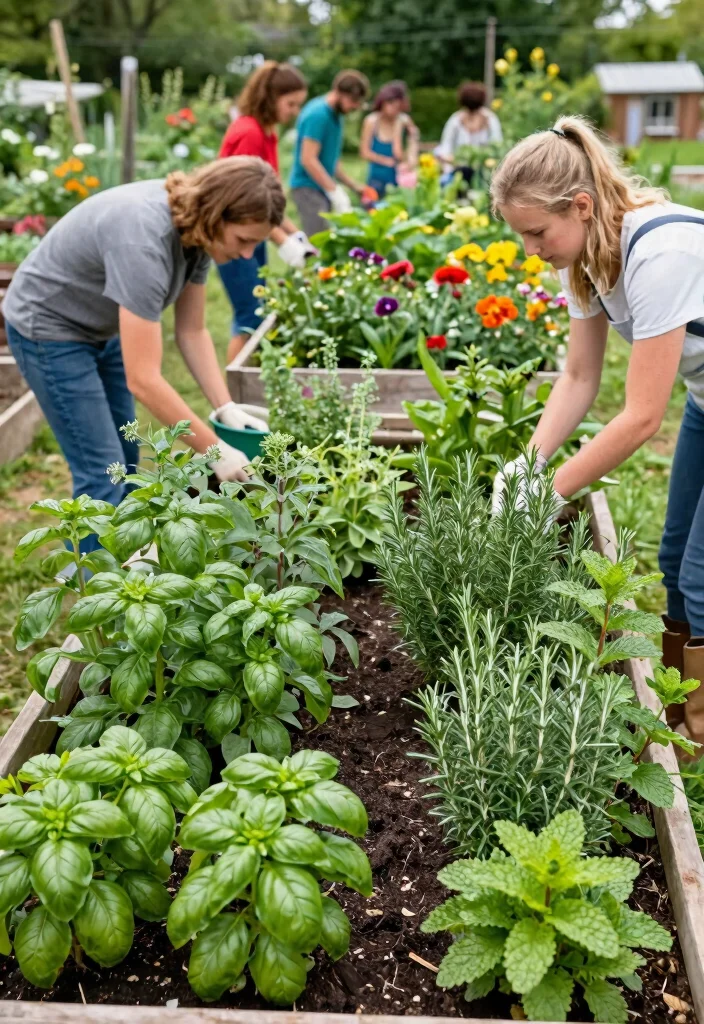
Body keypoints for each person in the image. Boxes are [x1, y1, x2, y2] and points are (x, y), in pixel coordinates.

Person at [490, 114, 704, 754]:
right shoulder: (582, 256)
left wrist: (552, 491)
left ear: (581, 206)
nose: (531, 249)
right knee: (671, 559)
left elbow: (641, 416)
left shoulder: (661, 255)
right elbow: (580, 377)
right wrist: (526, 467)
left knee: (700, 577)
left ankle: (697, 737)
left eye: (535, 232)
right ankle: (675, 705)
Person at [4, 157, 284, 545]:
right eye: (244, 240)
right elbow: (145, 380)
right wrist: (215, 450)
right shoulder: (143, 240)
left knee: (125, 458)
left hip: (101, 325)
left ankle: (119, 569)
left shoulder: (197, 232)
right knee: (102, 471)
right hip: (49, 328)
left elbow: (192, 330)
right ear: (217, 215)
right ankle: (92, 588)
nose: (248, 254)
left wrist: (224, 407)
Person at [218, 61, 316, 362]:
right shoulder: (249, 133)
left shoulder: (266, 133)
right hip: (231, 235)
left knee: (257, 314)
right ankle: (227, 401)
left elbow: (268, 203)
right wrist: (283, 242)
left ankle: (238, 394)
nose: (294, 112)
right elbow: (246, 207)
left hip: (253, 235)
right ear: (269, 98)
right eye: (290, 104)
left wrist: (295, 235)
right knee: (251, 317)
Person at [289, 69, 370, 238]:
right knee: (320, 241)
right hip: (307, 188)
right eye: (353, 100)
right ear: (338, 92)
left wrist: (353, 186)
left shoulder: (336, 116)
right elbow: (308, 159)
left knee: (330, 238)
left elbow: (332, 161)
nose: (355, 106)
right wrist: (334, 190)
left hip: (320, 188)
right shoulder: (318, 114)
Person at [359, 81, 419, 199]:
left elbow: (400, 154)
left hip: (398, 179)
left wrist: (398, 128)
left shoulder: (403, 121)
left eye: (398, 107)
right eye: (391, 104)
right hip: (376, 178)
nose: (394, 110)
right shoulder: (371, 121)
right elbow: (364, 152)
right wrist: (386, 161)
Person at [436, 81, 502, 187]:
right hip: (458, 172)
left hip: (483, 174)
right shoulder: (456, 121)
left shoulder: (490, 120)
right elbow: (446, 149)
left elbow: (496, 146)